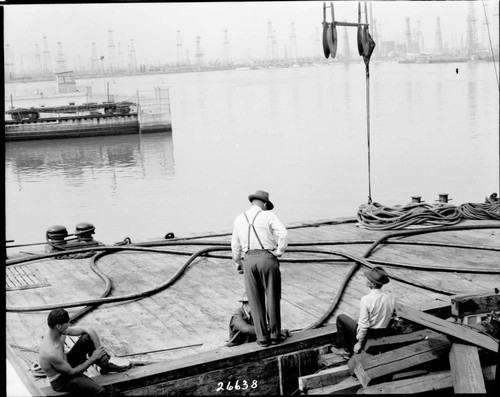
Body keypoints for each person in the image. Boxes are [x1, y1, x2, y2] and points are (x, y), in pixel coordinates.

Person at [231, 190, 288, 347]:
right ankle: (275, 335)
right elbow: (283, 233)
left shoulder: (239, 218)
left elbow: (235, 246)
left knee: (255, 300)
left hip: (249, 259)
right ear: (264, 204)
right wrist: (278, 251)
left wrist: (238, 263)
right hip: (267, 258)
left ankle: (262, 338)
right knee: (272, 297)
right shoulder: (268, 215)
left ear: (252, 203)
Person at [39, 308, 130, 396]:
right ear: (58, 326)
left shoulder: (59, 332)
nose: (69, 324)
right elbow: (72, 373)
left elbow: (88, 330)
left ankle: (105, 366)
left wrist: (100, 353)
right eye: (67, 322)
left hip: (66, 365)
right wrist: (93, 358)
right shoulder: (51, 352)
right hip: (62, 380)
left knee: (87, 338)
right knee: (100, 391)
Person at [333, 266, 396, 359]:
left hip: (369, 334)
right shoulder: (390, 297)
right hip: (383, 331)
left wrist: (359, 343)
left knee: (341, 318)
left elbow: (363, 326)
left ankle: (346, 350)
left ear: (373, 284)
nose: (366, 280)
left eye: (369, 279)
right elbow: (393, 316)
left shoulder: (366, 300)